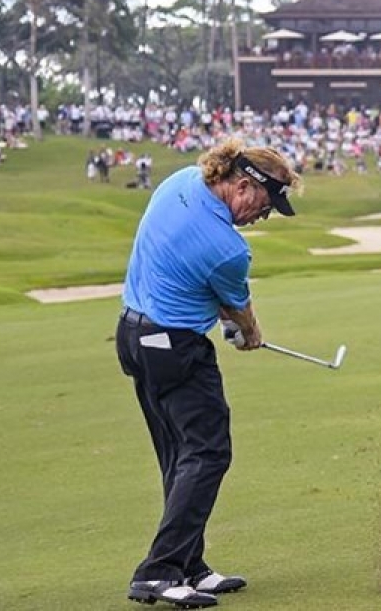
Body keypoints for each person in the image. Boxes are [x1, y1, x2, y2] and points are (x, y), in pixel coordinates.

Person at [116, 139, 302, 608]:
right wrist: (250, 332)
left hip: (134, 337)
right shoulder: (227, 249)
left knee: (179, 455)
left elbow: (197, 279)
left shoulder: (181, 182)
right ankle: (158, 571)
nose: (267, 214)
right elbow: (240, 310)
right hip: (175, 349)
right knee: (209, 452)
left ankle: (188, 565)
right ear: (242, 185)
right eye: (267, 203)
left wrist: (226, 318)